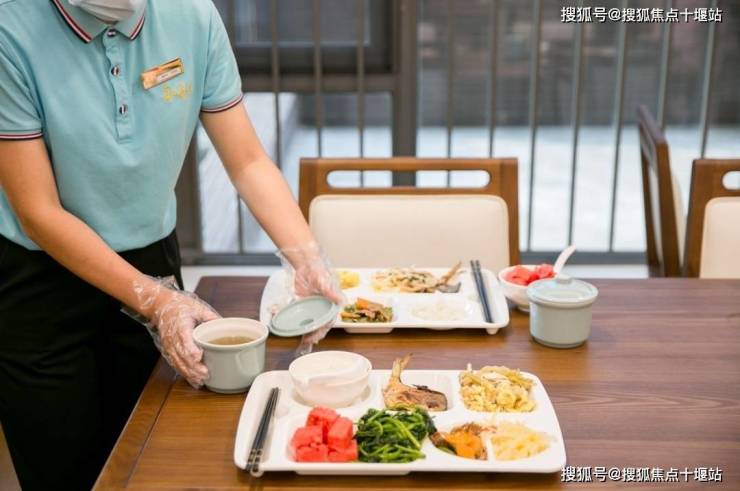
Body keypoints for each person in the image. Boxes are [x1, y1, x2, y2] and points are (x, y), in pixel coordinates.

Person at [0, 0, 341, 489]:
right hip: (42, 279)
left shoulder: (192, 15)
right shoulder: (10, 29)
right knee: (64, 469)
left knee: (154, 458)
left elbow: (247, 161)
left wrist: (304, 255)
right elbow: (38, 212)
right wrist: (155, 300)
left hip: (152, 260)